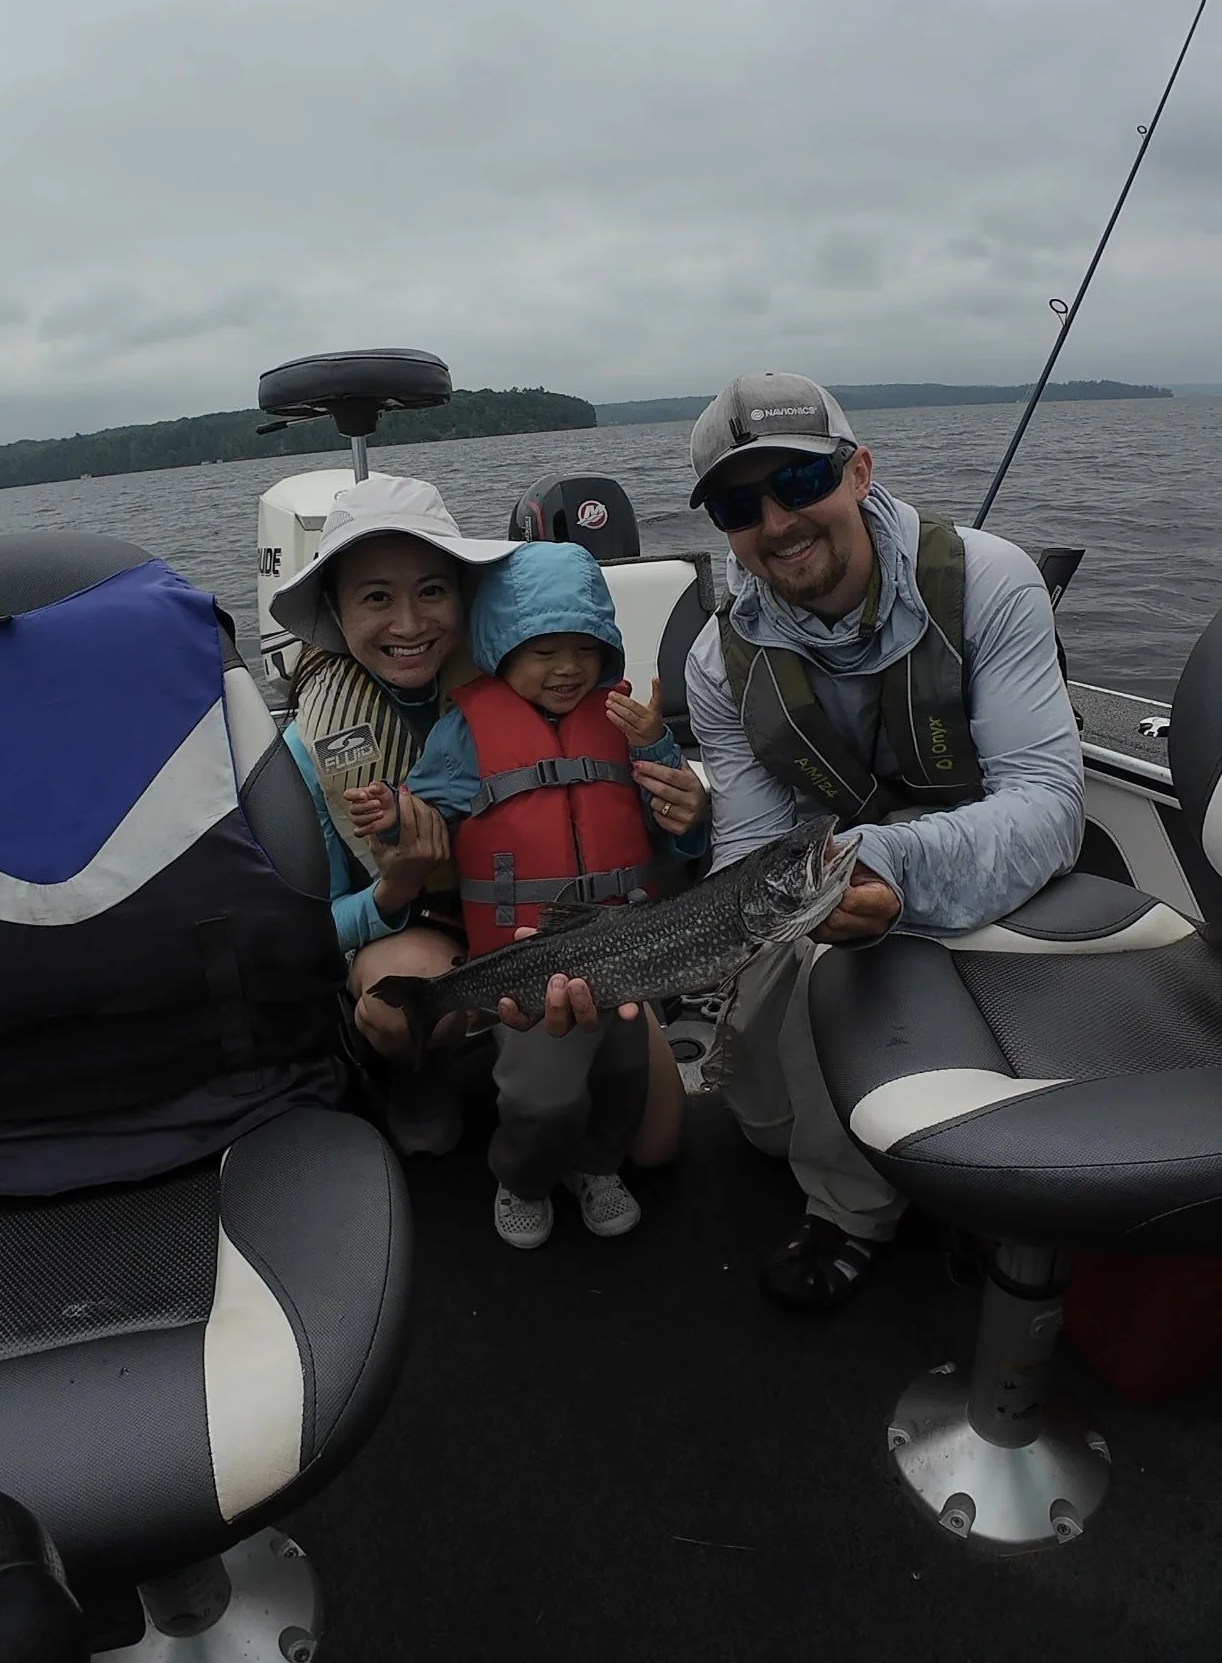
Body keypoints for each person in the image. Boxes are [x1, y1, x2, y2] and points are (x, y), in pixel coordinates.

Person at [680, 372, 1086, 1310]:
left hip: (993, 855)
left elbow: (1051, 802)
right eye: (741, 504)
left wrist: (895, 864)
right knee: (759, 1120)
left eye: (800, 482)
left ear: (860, 471)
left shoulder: (989, 579)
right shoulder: (716, 663)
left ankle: (848, 1213)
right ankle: (880, 1145)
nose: (776, 523)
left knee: (839, 974)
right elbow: (751, 843)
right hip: (823, 877)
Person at [347, 538, 708, 1247]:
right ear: (501, 650)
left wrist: (663, 753)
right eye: (543, 651)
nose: (568, 668)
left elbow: (678, 840)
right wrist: (390, 814)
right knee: (539, 1097)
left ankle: (596, 1166)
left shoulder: (624, 723)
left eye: (584, 649)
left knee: (623, 1078)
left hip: (623, 950)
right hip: (526, 963)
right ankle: (523, 1177)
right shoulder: (466, 734)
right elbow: (426, 805)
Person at [269, 472, 518, 1155]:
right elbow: (315, 923)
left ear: (464, 594)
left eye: (432, 591)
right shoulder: (301, 751)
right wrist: (396, 887)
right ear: (335, 610)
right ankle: (417, 1071)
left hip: (534, 914)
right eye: (376, 598)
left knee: (656, 1142)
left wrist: (685, 816)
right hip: (421, 935)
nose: (408, 626)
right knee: (396, 999)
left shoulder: (526, 685)